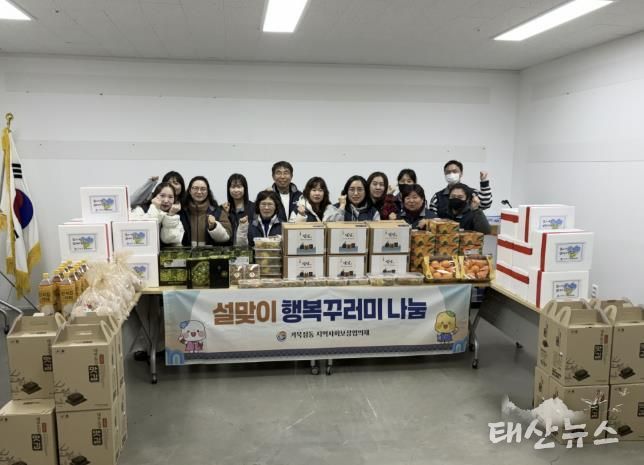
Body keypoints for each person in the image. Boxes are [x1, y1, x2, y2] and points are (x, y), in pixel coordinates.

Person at [179, 176, 232, 246]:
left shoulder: (218, 212)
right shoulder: (181, 211)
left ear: (207, 192)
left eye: (203, 189)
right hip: (185, 252)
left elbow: (227, 237)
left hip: (210, 253)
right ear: (189, 191)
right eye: (195, 188)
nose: (199, 192)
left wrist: (214, 226)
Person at [130, 182, 184, 246]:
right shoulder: (140, 210)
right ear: (155, 196)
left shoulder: (174, 217)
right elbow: (141, 233)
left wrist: (170, 216)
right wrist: (155, 209)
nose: (166, 200)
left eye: (170, 197)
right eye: (162, 196)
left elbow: (169, 240)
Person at [220, 173, 254, 246]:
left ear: (245, 188)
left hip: (248, 249)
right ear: (229, 189)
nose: (236, 190)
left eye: (239, 186)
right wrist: (226, 215)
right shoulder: (223, 208)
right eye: (233, 187)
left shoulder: (254, 208)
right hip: (228, 250)